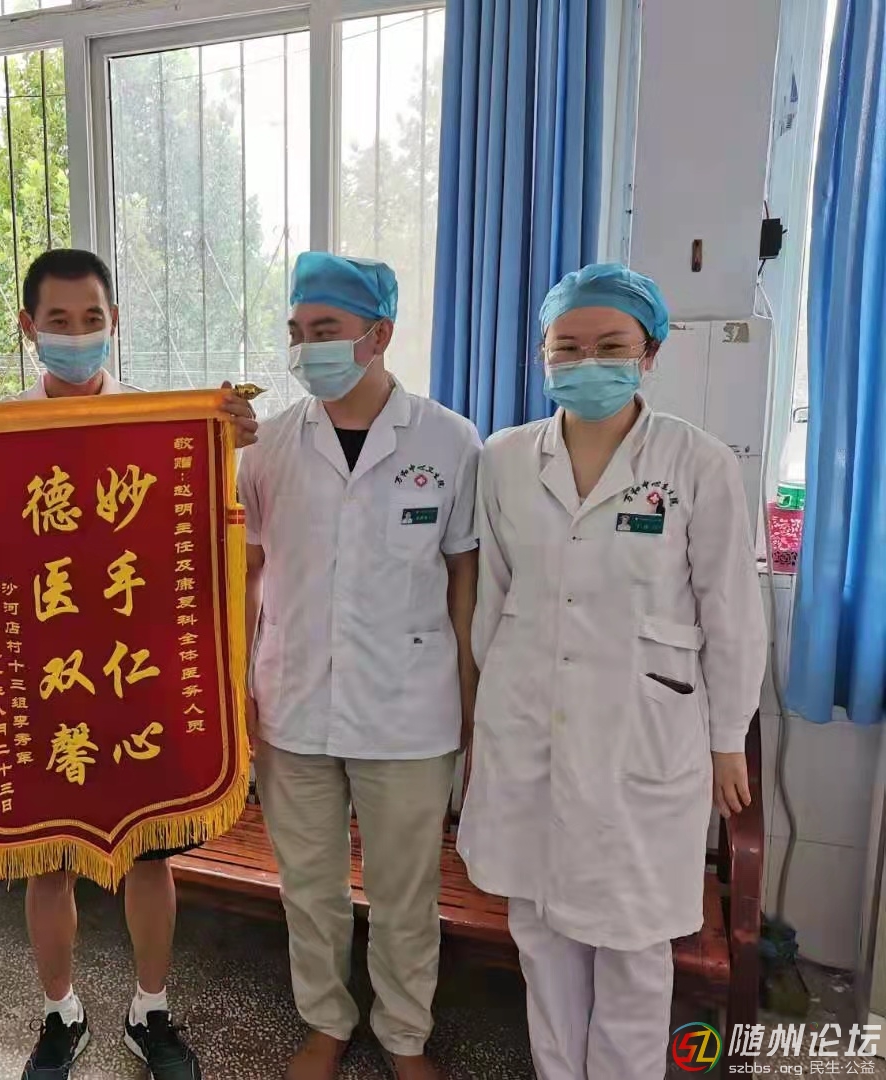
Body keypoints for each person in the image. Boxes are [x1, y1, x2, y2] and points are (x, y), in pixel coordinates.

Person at [0, 247, 258, 1080]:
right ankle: (61, 1014)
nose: (77, 333)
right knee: (49, 861)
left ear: (114, 321)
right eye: (58, 320)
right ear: (28, 327)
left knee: (151, 857)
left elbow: (202, 541)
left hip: (133, 673)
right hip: (46, 680)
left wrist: (226, 441)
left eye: (92, 318)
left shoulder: (159, 421)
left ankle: (150, 1009)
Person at [456, 263, 767, 1080]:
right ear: (542, 354)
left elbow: (731, 613)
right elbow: (494, 598)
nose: (586, 361)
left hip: (645, 732)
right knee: (541, 932)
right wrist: (484, 717)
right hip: (527, 723)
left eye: (610, 345)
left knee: (632, 944)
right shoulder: (505, 458)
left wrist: (727, 740)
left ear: (649, 352)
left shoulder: (695, 462)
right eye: (567, 346)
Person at [238, 252, 481, 1080]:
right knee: (309, 886)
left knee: (406, 891)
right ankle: (326, 1022)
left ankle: (405, 1035)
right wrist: (238, 680)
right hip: (294, 700)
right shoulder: (268, 445)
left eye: (326, 329)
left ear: (379, 335)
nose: (306, 348)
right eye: (297, 331)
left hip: (409, 709)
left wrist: (470, 700)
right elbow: (247, 570)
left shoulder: (449, 441)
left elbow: (463, 576)